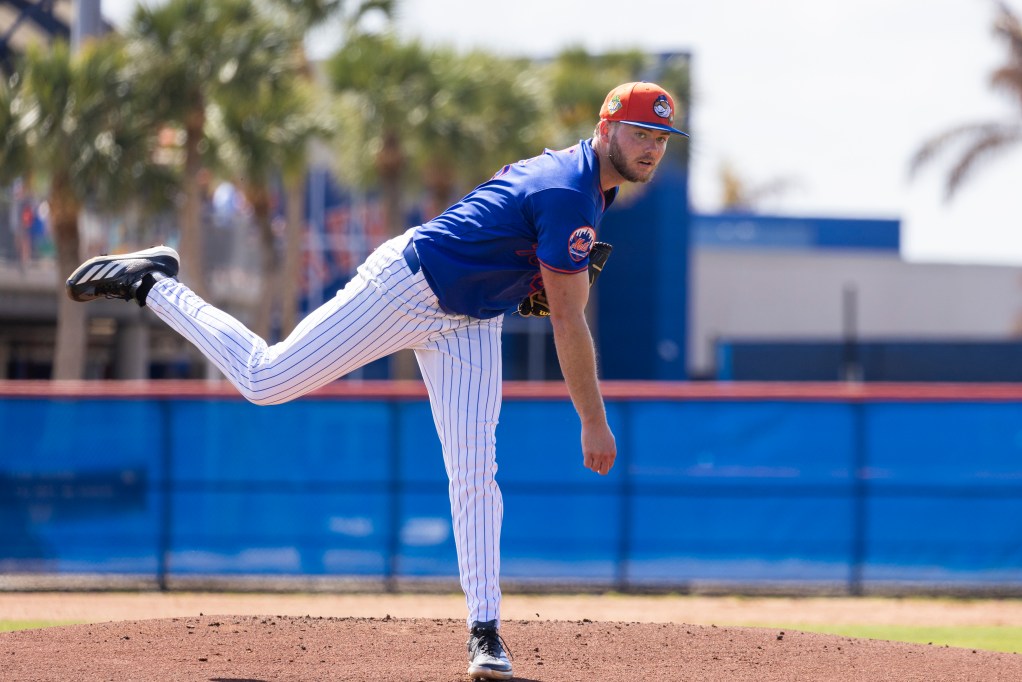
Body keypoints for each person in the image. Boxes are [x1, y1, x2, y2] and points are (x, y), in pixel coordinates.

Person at [66, 80, 687, 681]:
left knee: (475, 470)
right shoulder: (568, 191)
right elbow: (569, 319)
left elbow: (526, 255)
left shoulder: (588, 188)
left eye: (661, 136)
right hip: (408, 287)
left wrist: (519, 277)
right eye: (640, 131)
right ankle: (152, 283)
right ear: (605, 129)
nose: (652, 147)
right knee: (265, 379)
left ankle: (485, 630)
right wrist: (593, 419)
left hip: (469, 321)